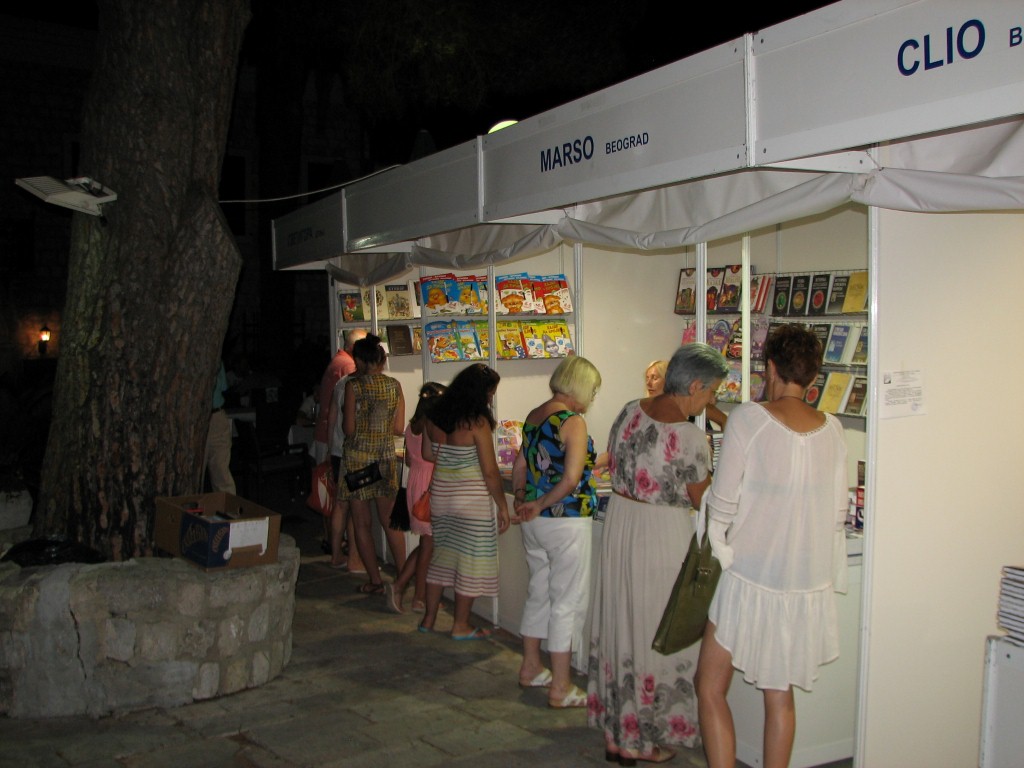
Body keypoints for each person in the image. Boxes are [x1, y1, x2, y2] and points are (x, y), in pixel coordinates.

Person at [695, 324, 848, 768]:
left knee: (709, 686)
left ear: (771, 368)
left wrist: (717, 547)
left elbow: (722, 502)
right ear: (813, 376)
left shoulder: (750, 418)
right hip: (801, 584)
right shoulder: (834, 430)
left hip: (747, 575)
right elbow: (837, 514)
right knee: (780, 698)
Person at [588, 343, 729, 766]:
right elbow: (703, 499)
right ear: (696, 385)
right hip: (661, 534)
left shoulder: (629, 410)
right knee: (657, 633)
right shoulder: (690, 437)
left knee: (622, 626)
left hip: (621, 525)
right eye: (711, 392)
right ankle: (641, 740)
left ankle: (619, 733)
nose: (710, 401)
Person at [512, 356, 601, 708]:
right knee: (568, 601)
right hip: (566, 521)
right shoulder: (573, 422)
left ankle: (531, 667)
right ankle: (561, 686)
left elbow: (521, 465)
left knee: (539, 592)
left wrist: (525, 500)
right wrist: (542, 503)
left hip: (535, 522)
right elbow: (571, 479)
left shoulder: (536, 415)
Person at [418, 363, 511, 639]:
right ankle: (460, 625)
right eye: (489, 393)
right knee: (470, 562)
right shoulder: (476, 423)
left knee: (441, 558)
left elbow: (428, 454)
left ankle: (428, 619)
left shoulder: (433, 416)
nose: (490, 399)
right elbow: (490, 472)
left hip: (441, 497)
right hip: (471, 501)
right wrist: (503, 506)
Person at [340, 334, 406, 594]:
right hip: (385, 459)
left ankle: (375, 580)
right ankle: (402, 577)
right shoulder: (394, 385)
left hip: (358, 461)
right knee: (390, 521)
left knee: (362, 523)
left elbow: (348, 429)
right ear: (381, 359)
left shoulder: (353, 387)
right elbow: (398, 428)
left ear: (359, 360)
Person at [385, 381, 447, 614]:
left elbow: (411, 460)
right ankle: (416, 595)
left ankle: (406, 588)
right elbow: (433, 456)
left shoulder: (412, 425)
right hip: (429, 484)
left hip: (415, 483)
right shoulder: (433, 425)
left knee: (425, 544)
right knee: (428, 546)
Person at [313, 328, 367, 464]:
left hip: (326, 434)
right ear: (355, 347)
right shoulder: (348, 366)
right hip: (335, 439)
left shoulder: (339, 360)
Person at [204, 360, 235, 493]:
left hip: (216, 416)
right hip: (195, 419)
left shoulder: (215, 357)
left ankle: (227, 506)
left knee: (222, 475)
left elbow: (223, 386)